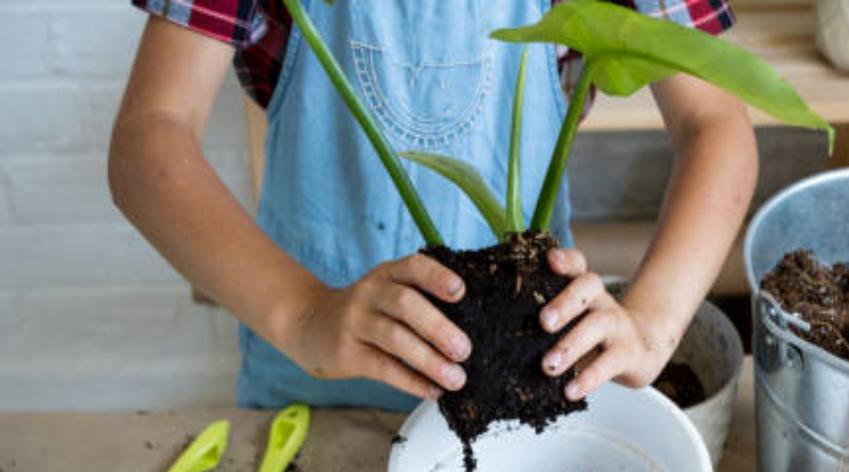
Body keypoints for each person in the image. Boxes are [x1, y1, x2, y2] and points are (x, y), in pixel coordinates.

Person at [110, 0, 757, 411]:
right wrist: (305, 313)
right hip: (315, 390)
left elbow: (715, 125)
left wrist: (652, 319)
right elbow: (149, 140)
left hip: (526, 382)